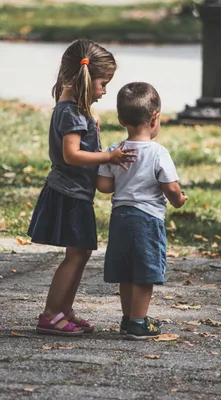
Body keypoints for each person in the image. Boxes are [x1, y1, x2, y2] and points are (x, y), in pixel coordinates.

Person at [27, 39, 137, 336]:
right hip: (69, 194)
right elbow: (71, 154)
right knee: (75, 255)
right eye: (103, 84)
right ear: (85, 78)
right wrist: (110, 156)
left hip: (75, 192)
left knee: (81, 253)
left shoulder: (74, 109)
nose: (104, 91)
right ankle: (51, 314)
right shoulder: (72, 112)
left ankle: (64, 309)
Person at [97, 82, 188, 340]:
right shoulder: (159, 153)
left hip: (120, 217)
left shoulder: (114, 151)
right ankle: (139, 321)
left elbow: (104, 186)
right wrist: (179, 200)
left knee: (126, 270)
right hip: (147, 219)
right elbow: (170, 187)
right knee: (145, 271)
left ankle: (128, 318)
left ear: (121, 119)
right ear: (155, 117)